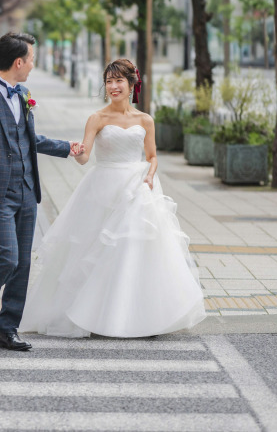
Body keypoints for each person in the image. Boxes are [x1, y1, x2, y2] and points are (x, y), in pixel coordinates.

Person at [19, 59, 206, 338]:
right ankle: (94, 314)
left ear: (131, 85)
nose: (113, 86)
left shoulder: (145, 120)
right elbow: (85, 157)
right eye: (109, 81)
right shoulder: (97, 118)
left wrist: (150, 175)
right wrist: (75, 151)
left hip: (136, 188)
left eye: (119, 81)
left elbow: (152, 156)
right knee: (95, 252)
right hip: (102, 188)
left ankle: (140, 316)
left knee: (135, 251)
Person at [0, 32, 84, 351]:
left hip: (27, 192)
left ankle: (7, 329)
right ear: (18, 62)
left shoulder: (25, 94)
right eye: (31, 59)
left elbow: (29, 139)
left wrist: (66, 147)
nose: (33, 65)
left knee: (23, 263)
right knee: (7, 257)